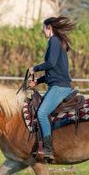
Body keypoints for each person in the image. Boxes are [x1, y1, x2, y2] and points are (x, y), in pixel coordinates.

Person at [28, 16, 76, 161]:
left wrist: (35, 68)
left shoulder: (54, 41)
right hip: (57, 84)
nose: (42, 31)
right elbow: (54, 70)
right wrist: (38, 81)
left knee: (42, 113)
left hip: (59, 87)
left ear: (49, 27)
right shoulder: (57, 42)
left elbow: (50, 63)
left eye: (43, 28)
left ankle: (48, 149)